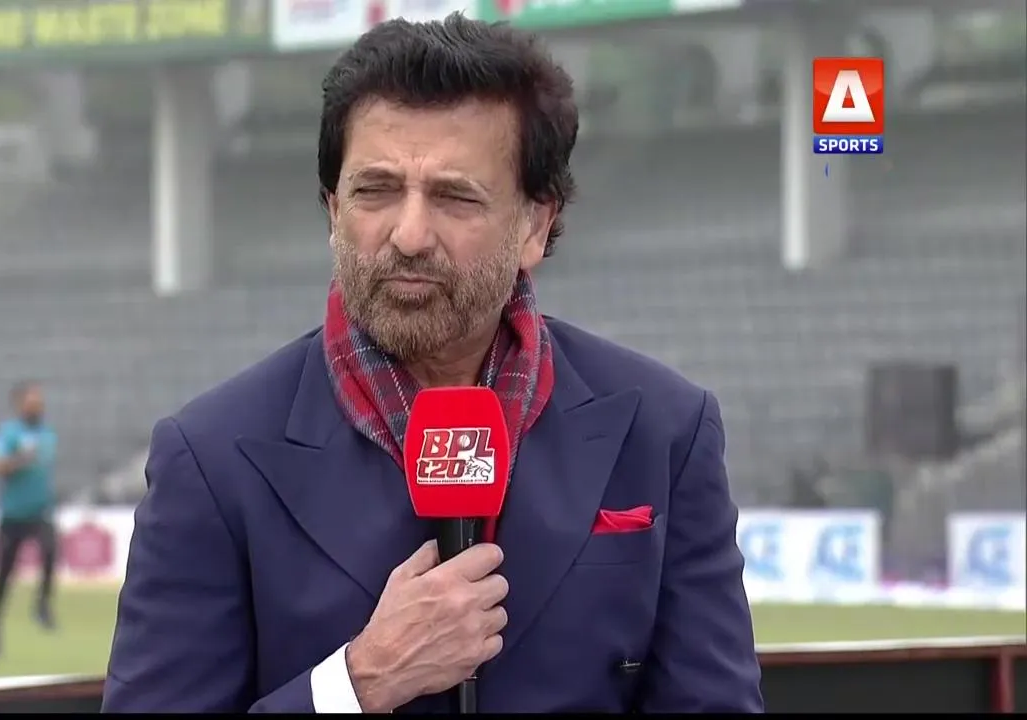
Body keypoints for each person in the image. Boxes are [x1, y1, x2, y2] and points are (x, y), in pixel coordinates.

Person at [102, 14, 763, 713]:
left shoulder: (666, 430)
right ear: (333, 212)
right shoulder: (210, 458)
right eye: (375, 191)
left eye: (454, 196)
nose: (410, 235)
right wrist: (358, 683)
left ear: (535, 225)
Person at [0, 380, 59, 660]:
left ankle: (42, 605)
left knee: (51, 550)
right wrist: (18, 460)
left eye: (40, 401)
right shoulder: (9, 433)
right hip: (13, 515)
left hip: (40, 512)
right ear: (20, 404)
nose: (38, 405)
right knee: (4, 576)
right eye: (32, 401)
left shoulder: (48, 434)